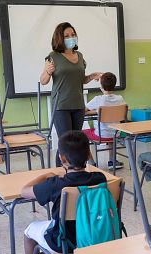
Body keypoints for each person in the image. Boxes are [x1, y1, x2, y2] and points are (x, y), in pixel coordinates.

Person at [21, 131, 107, 254]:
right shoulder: (100, 178)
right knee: (85, 221)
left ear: (61, 158)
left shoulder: (56, 184)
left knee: (28, 233)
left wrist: (45, 176)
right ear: (89, 154)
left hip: (62, 243)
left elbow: (23, 191)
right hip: (95, 240)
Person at [40, 22, 102, 167]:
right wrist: (48, 71)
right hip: (61, 105)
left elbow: (81, 80)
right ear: (59, 38)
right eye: (66, 35)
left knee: (75, 142)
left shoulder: (79, 56)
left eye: (73, 34)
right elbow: (43, 81)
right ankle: (60, 173)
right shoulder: (53, 56)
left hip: (78, 105)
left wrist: (91, 76)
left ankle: (74, 172)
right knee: (65, 141)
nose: (71, 37)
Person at [84, 72, 126, 170]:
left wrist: (96, 110)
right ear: (114, 85)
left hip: (101, 135)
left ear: (101, 86)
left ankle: (91, 162)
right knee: (111, 129)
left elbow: (84, 110)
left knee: (82, 135)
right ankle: (112, 161)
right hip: (116, 133)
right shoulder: (120, 98)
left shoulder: (98, 99)